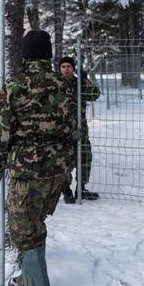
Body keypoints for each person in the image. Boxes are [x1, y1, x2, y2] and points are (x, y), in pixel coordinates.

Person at [0, 30, 78, 285]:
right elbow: (71, 126)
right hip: (58, 170)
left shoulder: (14, 86)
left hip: (27, 171)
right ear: (48, 53)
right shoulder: (63, 84)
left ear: (25, 53)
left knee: (24, 232)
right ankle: (29, 278)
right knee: (36, 224)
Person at [58, 56, 101, 203]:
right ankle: (66, 190)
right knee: (64, 161)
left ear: (73, 68)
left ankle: (81, 189)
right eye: (63, 66)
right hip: (62, 130)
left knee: (85, 157)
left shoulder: (79, 83)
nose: (66, 69)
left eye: (69, 66)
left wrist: (84, 80)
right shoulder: (55, 84)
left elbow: (94, 95)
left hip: (80, 129)